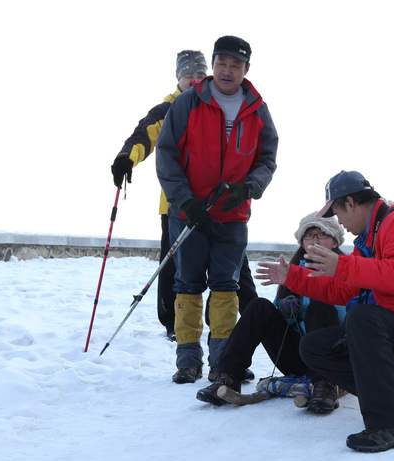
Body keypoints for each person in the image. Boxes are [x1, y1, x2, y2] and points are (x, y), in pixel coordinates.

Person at [256, 171, 394, 453]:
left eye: (338, 213)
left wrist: (342, 267)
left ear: (352, 203)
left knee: (363, 319)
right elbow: (343, 291)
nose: (338, 221)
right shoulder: (369, 239)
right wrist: (292, 277)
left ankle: (392, 425)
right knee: (315, 347)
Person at [110, 50, 257, 343]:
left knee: (233, 270)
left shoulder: (220, 104)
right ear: (178, 78)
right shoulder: (167, 109)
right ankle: (174, 324)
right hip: (178, 206)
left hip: (222, 206)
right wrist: (127, 157)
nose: (194, 79)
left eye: (200, 74)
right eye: (188, 74)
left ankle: (236, 322)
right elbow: (143, 136)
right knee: (175, 269)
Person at [156, 36, 278, 385]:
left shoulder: (256, 108)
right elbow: (167, 154)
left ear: (246, 69)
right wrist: (184, 200)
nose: (228, 70)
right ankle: (188, 360)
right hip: (189, 214)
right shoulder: (189, 103)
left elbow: (267, 159)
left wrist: (248, 188)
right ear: (213, 64)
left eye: (235, 65)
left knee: (226, 288)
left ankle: (223, 359)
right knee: (187, 285)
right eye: (222, 63)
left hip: (233, 216)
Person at [196, 212, 345, 413]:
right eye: (310, 235)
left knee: (320, 306)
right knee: (259, 307)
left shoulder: (347, 268)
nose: (315, 239)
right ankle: (228, 376)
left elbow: (352, 314)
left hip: (333, 359)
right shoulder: (291, 270)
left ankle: (325, 386)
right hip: (297, 354)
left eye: (322, 235)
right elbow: (276, 320)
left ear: (335, 242)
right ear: (302, 241)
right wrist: (284, 308)